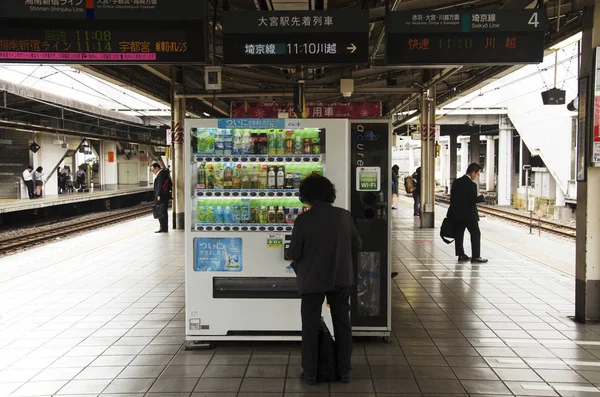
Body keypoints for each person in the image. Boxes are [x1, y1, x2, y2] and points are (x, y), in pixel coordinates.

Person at [286, 175, 362, 385]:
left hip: (312, 280)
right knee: (342, 324)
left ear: (307, 195)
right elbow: (357, 245)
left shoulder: (303, 219)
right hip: (341, 277)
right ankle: (344, 371)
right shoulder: (344, 216)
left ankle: (310, 373)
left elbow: (293, 253)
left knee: (310, 326)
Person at [447, 163, 488, 264]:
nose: (477, 176)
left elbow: (453, 199)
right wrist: (482, 197)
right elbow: (472, 200)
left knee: (459, 234)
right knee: (475, 233)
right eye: (477, 174)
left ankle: (461, 255)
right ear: (473, 172)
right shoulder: (471, 185)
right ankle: (476, 256)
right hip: (469, 215)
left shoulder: (456, 182)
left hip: (457, 214)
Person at [152, 163, 171, 233]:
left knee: (161, 211)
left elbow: (160, 185)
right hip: (163, 195)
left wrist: (158, 195)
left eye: (153, 170)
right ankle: (163, 227)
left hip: (161, 196)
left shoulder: (161, 174)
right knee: (162, 211)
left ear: (157, 168)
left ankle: (163, 227)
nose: (153, 172)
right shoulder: (163, 173)